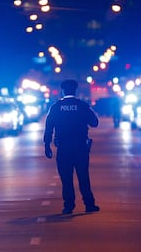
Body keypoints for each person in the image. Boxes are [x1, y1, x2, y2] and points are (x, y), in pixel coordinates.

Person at [43, 79, 100, 214]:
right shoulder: (82, 106)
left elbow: (49, 127)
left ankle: (68, 206)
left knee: (66, 179)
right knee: (83, 177)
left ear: (63, 91)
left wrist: (47, 145)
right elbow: (94, 123)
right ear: (75, 90)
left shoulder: (56, 107)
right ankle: (89, 204)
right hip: (80, 147)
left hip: (63, 148)